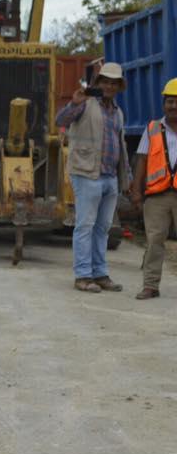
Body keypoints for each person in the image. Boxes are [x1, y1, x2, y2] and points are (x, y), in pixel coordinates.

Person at [56, 62, 129, 293]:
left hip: (110, 177)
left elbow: (121, 145)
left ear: (118, 87)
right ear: (98, 83)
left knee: (103, 228)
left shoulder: (118, 112)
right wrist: (73, 103)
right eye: (105, 81)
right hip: (87, 174)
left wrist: (124, 176)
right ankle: (83, 276)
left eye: (113, 83)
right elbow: (61, 121)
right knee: (85, 225)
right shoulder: (85, 104)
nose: (108, 86)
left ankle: (100, 274)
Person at [129, 78, 177, 300]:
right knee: (154, 241)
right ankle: (150, 285)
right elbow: (141, 161)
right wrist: (137, 193)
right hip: (157, 196)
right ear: (163, 104)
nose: (173, 106)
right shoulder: (152, 129)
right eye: (170, 101)